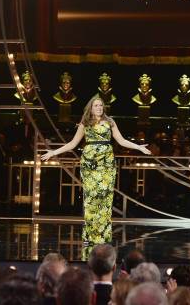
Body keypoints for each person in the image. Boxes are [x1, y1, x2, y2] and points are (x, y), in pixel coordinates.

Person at [42, 97, 151, 245]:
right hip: (89, 163)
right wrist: (53, 153)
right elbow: (72, 144)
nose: (99, 107)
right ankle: (90, 237)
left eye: (101, 105)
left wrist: (138, 147)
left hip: (106, 162)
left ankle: (103, 237)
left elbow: (121, 140)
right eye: (96, 105)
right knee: (91, 197)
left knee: (105, 197)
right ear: (91, 108)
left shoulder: (110, 122)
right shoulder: (84, 123)